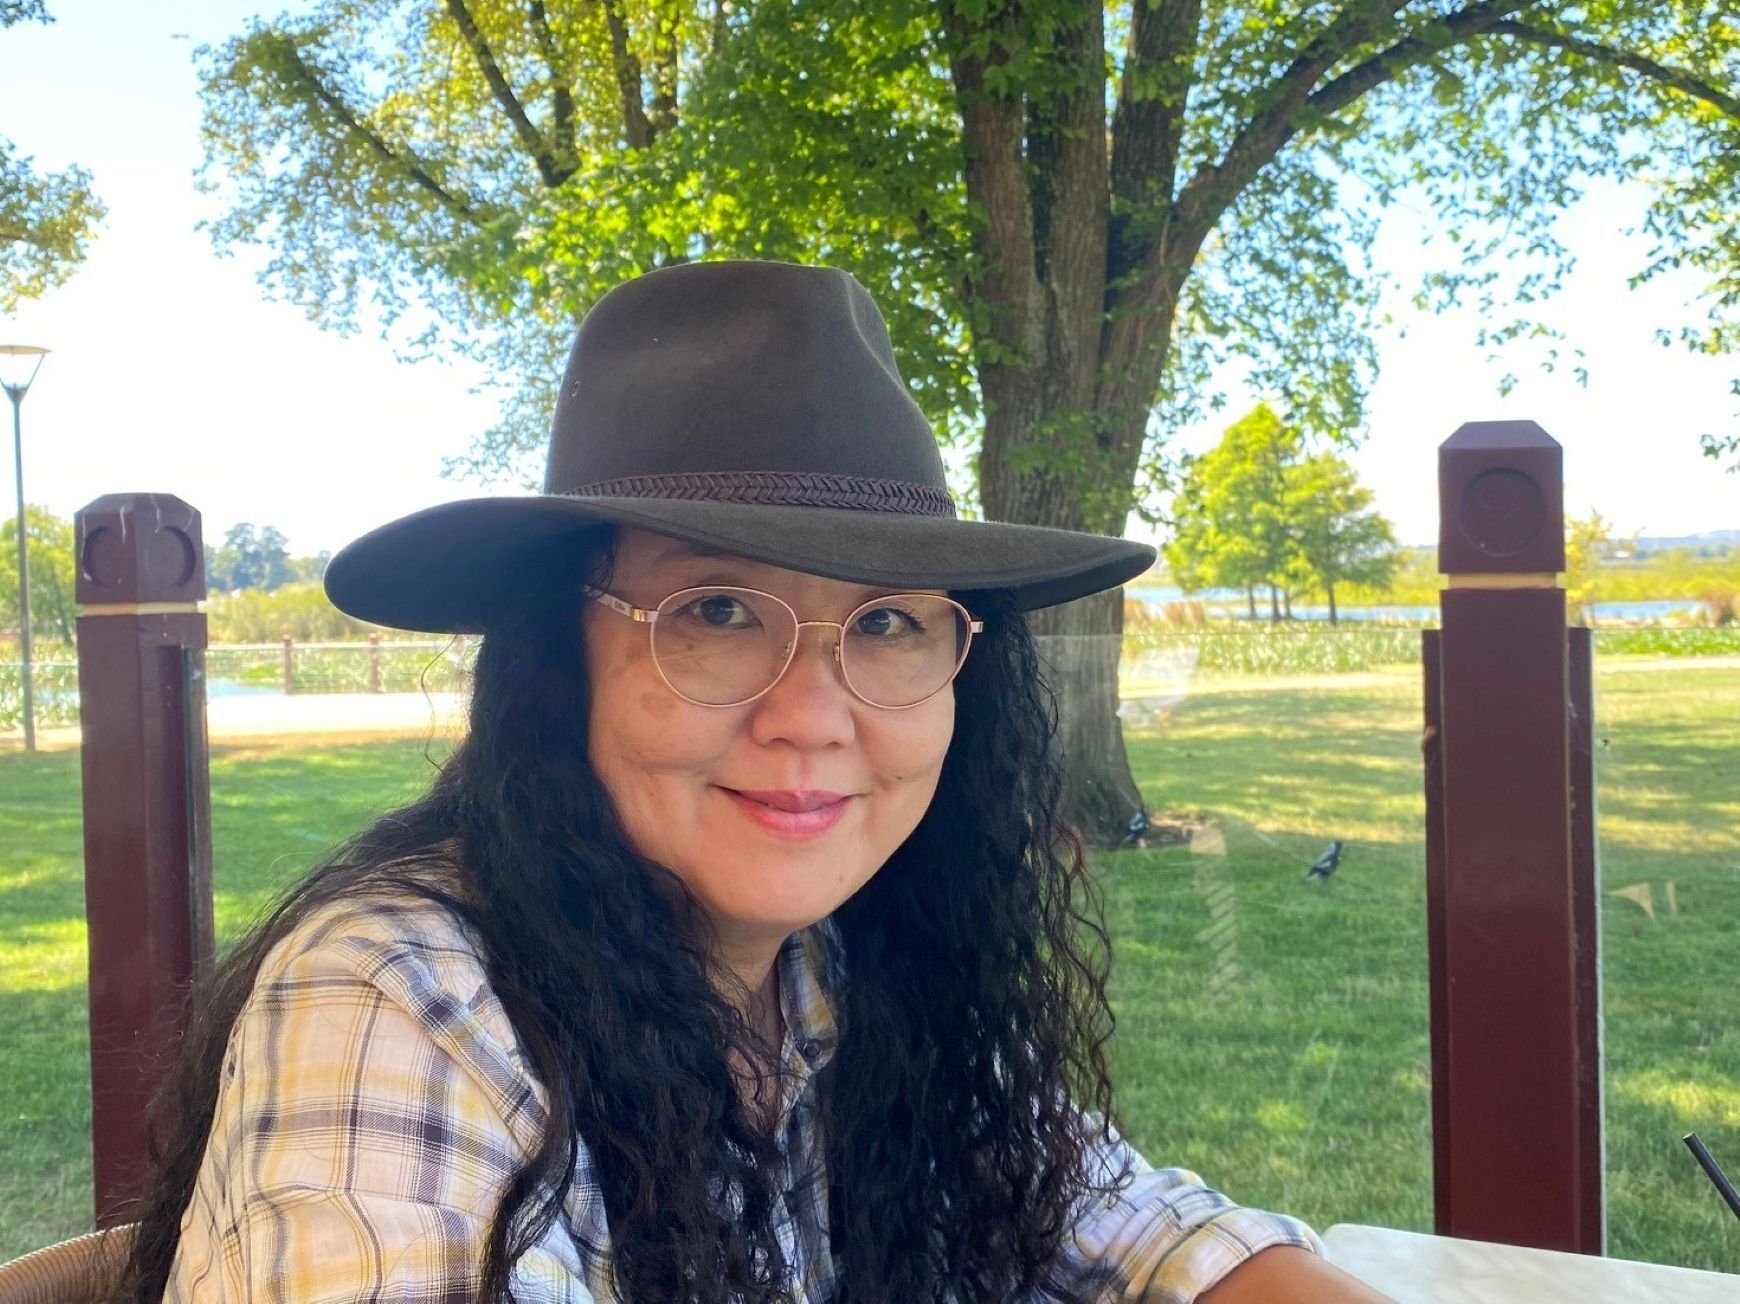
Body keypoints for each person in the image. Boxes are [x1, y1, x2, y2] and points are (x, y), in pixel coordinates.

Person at [117, 261, 1392, 1302]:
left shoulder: (851, 966)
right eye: (719, 607)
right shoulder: (407, 999)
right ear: (563, 654)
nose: (813, 718)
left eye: (890, 621)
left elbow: (1136, 1221)